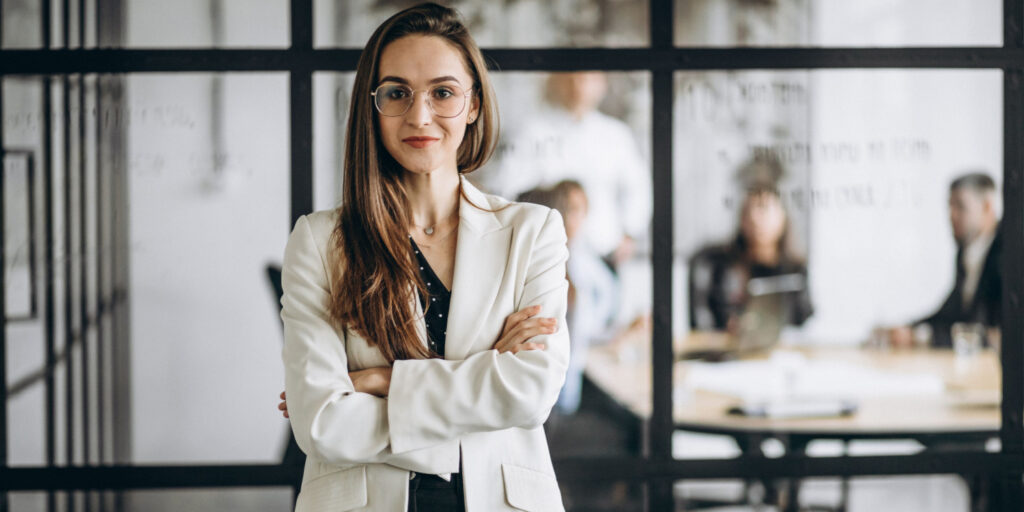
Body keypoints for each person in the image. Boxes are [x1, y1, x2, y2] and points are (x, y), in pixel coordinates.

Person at [277, 4, 570, 511]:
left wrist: (382, 381)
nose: (419, 115)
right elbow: (322, 423)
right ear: (373, 105)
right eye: (397, 93)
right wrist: (482, 378)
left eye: (442, 92)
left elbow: (530, 391)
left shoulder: (533, 232)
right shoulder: (321, 241)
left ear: (473, 104)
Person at [479, 71, 651, 268]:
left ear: (601, 84)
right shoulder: (533, 131)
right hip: (546, 253)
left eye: (587, 79)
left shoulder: (616, 135)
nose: (578, 86)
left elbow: (637, 187)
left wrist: (630, 233)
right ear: (557, 81)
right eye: (571, 78)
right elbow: (508, 187)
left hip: (604, 250)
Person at [516, 181, 618, 416]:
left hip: (567, 389)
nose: (579, 220)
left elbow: (585, 333)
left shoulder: (582, 261)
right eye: (572, 210)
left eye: (582, 210)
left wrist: (619, 335)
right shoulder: (547, 268)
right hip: (550, 396)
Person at [890, 172, 1002, 349]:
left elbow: (989, 333)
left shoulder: (1008, 253)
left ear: (987, 207)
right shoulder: (966, 252)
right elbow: (951, 312)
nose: (952, 215)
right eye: (950, 206)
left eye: (961, 207)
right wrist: (910, 329)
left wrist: (922, 337)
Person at [689, 185, 813, 332]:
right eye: (748, 211)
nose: (755, 218)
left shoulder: (795, 269)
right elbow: (707, 325)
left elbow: (803, 318)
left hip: (780, 351)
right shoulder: (719, 266)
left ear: (783, 216)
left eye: (764, 209)